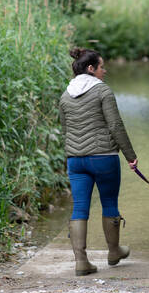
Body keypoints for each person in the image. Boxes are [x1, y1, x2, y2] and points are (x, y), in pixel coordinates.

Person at [59, 47, 138, 276]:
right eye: (102, 66)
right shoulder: (103, 91)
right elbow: (115, 125)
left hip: (76, 161)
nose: (105, 70)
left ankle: (81, 262)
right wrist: (130, 156)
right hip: (104, 158)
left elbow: (65, 129)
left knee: (80, 207)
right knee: (109, 203)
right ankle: (113, 251)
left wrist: (76, 151)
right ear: (91, 68)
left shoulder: (65, 95)